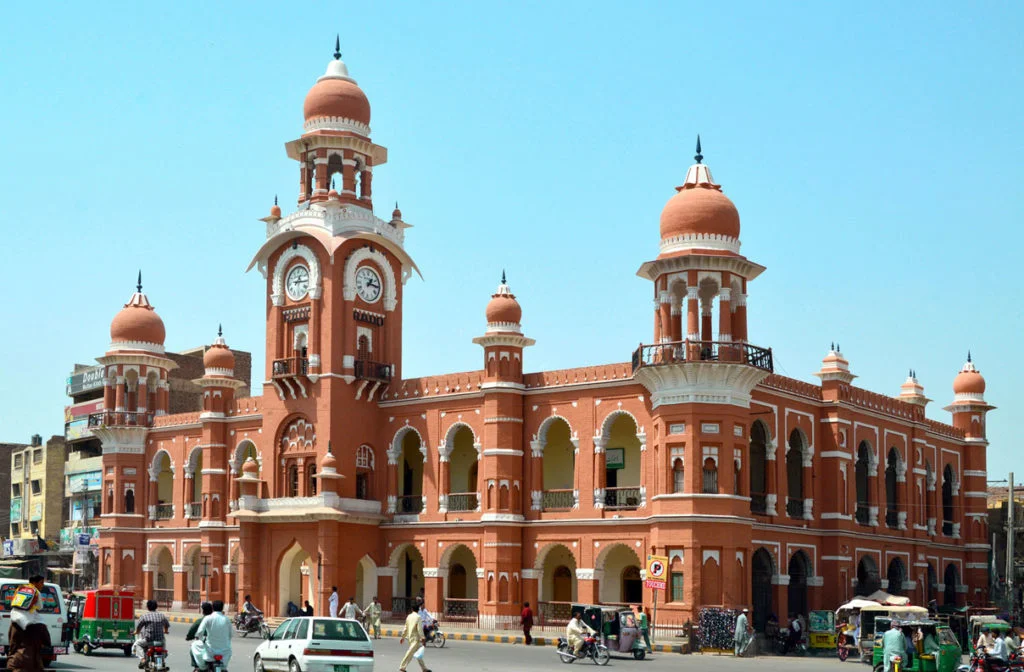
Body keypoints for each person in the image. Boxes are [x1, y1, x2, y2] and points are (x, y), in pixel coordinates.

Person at [7, 575, 51, 672]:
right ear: (35, 583)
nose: (42, 585)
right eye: (41, 583)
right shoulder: (38, 624)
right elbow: (40, 607)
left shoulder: (20, 589)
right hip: (30, 666)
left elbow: (12, 644)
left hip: (14, 664)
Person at [195, 600, 233, 670]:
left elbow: (199, 632)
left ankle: (202, 667)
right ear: (222, 608)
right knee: (224, 668)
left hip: (210, 651)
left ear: (212, 608)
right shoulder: (227, 619)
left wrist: (202, 640)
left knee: (195, 645)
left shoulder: (208, 618)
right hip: (224, 652)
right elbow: (231, 635)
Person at [134, 599, 170, 668]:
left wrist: (136, 632)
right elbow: (166, 625)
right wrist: (165, 631)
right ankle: (163, 660)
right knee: (164, 642)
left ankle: (143, 660)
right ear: (156, 607)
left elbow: (139, 627)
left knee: (138, 644)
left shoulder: (144, 616)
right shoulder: (162, 616)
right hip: (160, 641)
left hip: (148, 641)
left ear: (147, 607)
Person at [399, 602, 431, 672]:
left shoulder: (409, 616)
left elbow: (405, 628)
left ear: (412, 609)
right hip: (416, 639)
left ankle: (424, 668)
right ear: (418, 610)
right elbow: (419, 629)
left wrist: (403, 637)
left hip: (411, 638)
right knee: (410, 653)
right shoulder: (418, 617)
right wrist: (423, 638)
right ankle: (402, 666)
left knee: (419, 654)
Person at [186, 602, 214, 670]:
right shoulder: (216, 620)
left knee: (192, 649)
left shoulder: (200, 621)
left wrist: (188, 637)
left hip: (204, 643)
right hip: (216, 644)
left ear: (203, 611)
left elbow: (192, 630)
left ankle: (197, 667)